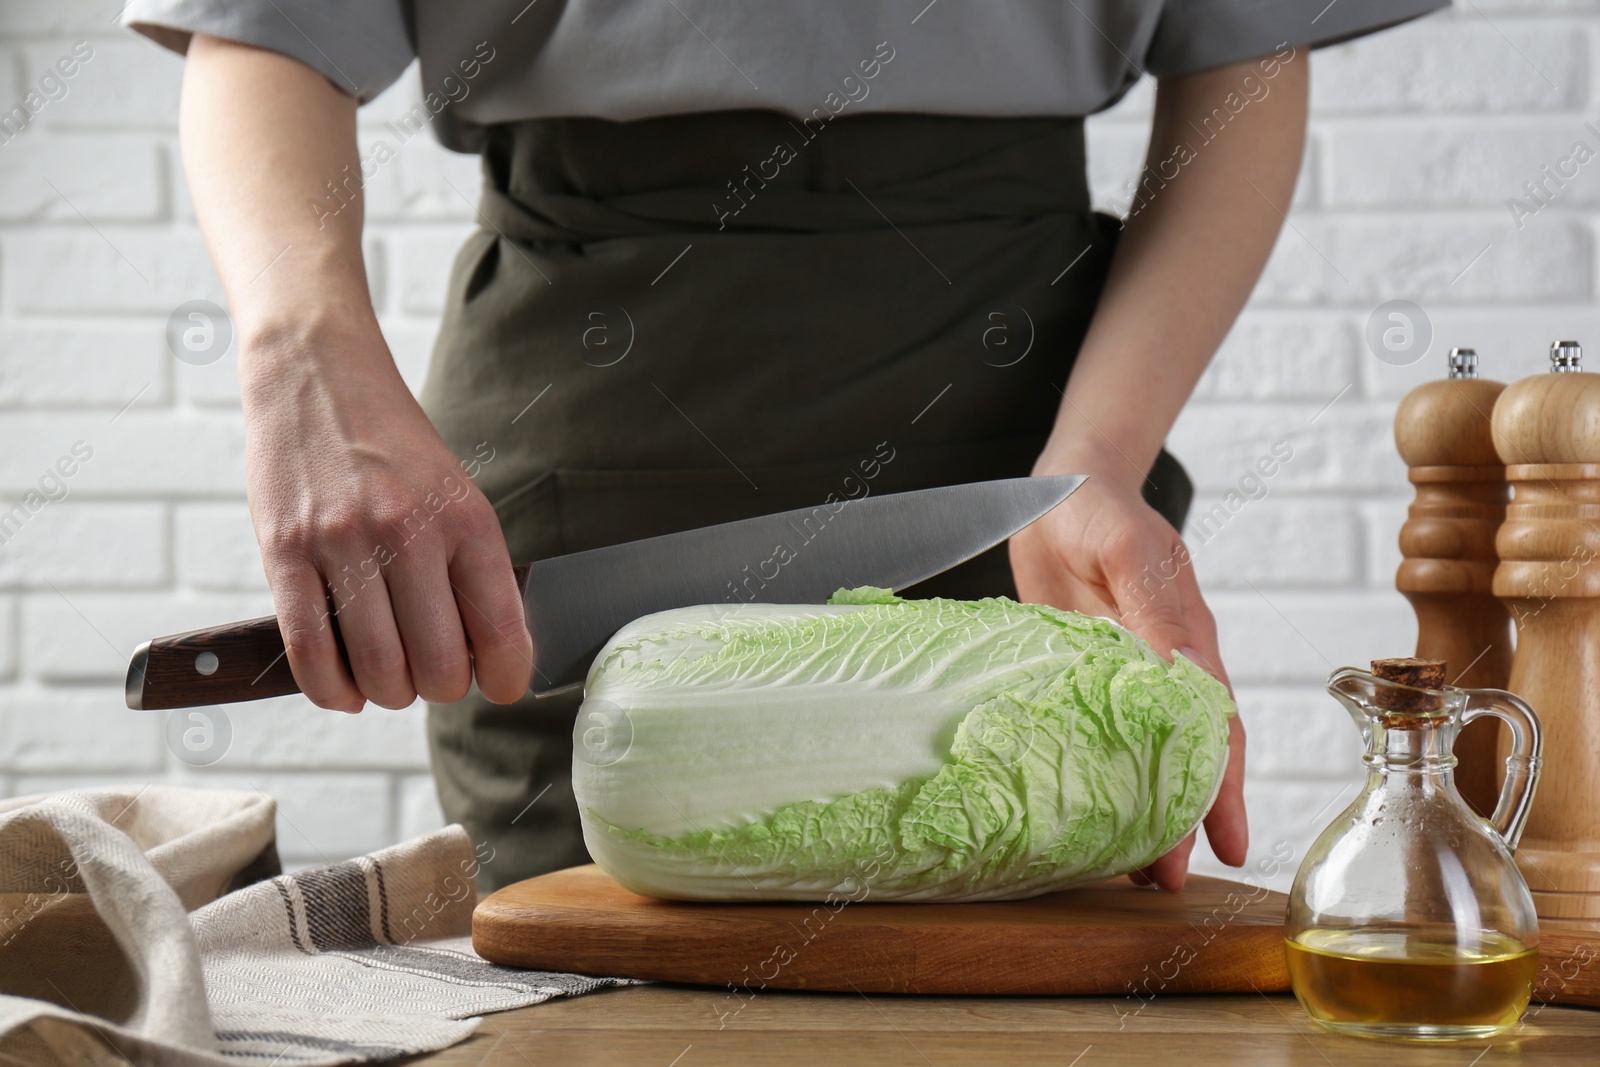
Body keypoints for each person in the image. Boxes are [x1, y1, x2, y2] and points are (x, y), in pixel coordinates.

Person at [126, 1, 1446, 891]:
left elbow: (1248, 51)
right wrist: (302, 356)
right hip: (585, 408)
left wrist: (1096, 455)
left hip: (1027, 441)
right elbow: (264, 28)